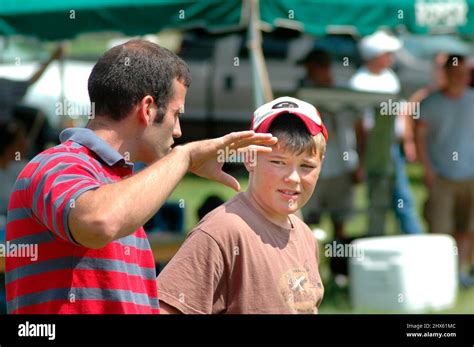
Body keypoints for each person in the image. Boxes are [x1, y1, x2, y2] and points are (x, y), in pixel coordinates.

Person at [5, 39, 277, 314]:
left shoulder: (122, 188)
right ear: (147, 109)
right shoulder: (56, 163)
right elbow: (97, 222)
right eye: (175, 114)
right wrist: (183, 158)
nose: (179, 131)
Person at [157, 97, 327, 314]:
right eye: (278, 162)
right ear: (249, 158)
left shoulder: (305, 236)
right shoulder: (221, 232)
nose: (293, 177)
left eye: (306, 165)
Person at [349, 30, 422, 236]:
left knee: (402, 199)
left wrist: (407, 142)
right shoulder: (360, 82)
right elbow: (360, 125)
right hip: (376, 149)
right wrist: (362, 160)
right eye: (387, 53)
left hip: (393, 149)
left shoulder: (389, 77)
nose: (391, 57)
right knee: (381, 199)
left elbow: (401, 113)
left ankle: (411, 241)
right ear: (375, 55)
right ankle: (377, 239)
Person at [417, 55, 474, 287]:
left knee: (467, 229)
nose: (458, 78)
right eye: (454, 73)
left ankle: (461, 273)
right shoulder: (430, 103)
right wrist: (427, 169)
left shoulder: (472, 100)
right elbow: (418, 138)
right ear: (445, 74)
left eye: (463, 74)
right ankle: (440, 276)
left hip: (470, 176)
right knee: (441, 230)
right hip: (441, 176)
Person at [298, 49, 364, 239]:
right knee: (305, 223)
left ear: (323, 69)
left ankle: (337, 266)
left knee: (340, 223)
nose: (307, 74)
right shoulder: (304, 97)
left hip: (342, 168)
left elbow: (361, 130)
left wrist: (361, 164)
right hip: (311, 169)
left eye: (311, 69)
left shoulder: (345, 96)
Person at [0, 45, 64, 122]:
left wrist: (51, 59)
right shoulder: (4, 86)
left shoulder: (3, 85)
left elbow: (30, 81)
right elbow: (31, 81)